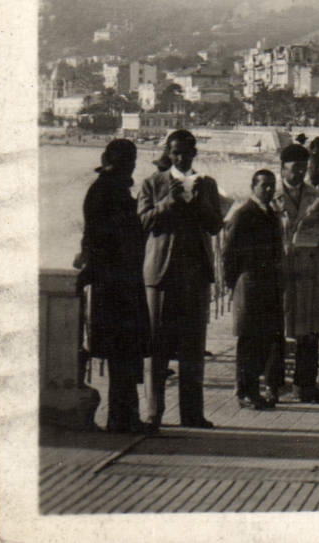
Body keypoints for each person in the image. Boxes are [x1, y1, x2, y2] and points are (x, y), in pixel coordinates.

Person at [138, 129, 224, 431]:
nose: (181, 158)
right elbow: (142, 222)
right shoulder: (152, 184)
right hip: (160, 276)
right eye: (175, 152)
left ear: (194, 154)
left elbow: (215, 226)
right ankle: (153, 413)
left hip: (195, 277)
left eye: (186, 152)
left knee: (192, 347)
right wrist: (167, 204)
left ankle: (192, 413)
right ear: (168, 153)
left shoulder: (207, 185)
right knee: (156, 349)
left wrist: (199, 202)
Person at [80, 138, 151, 432]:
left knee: (123, 353)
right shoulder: (111, 193)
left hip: (114, 283)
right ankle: (123, 418)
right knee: (124, 353)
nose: (132, 166)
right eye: (129, 161)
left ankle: (123, 417)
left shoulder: (105, 189)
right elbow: (111, 239)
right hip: (117, 285)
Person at [278, 145, 319, 404]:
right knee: (280, 328)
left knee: (311, 329)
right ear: (283, 168)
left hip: (311, 269)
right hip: (285, 269)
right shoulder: (273, 195)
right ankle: (276, 382)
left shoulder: (314, 195)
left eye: (304, 169)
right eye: (295, 169)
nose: (299, 174)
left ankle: (306, 385)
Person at [223, 169, 285, 411]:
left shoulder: (270, 213)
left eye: (272, 186)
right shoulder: (243, 214)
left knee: (263, 339)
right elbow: (228, 253)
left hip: (268, 283)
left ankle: (254, 389)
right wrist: (233, 285)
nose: (268, 190)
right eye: (264, 186)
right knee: (249, 340)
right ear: (253, 187)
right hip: (249, 283)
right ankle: (245, 391)